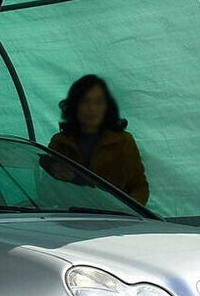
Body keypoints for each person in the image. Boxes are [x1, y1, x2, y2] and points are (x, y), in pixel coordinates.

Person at [47, 74, 150, 205]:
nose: (92, 109)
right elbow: (46, 192)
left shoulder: (123, 141)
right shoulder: (60, 142)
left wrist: (127, 211)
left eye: (98, 102)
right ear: (74, 106)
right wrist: (54, 174)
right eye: (85, 101)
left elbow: (139, 187)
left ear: (107, 107)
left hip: (114, 221)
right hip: (72, 219)